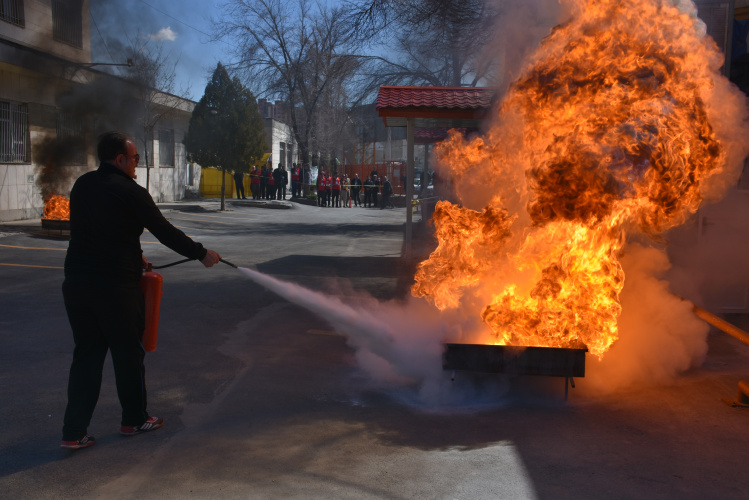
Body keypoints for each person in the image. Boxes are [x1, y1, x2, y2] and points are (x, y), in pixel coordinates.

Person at [60, 132, 222, 450]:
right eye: (134, 158)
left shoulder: (83, 184)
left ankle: (73, 431)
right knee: (127, 354)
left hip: (77, 285)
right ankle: (134, 419)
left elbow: (97, 230)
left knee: (87, 356)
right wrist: (200, 253)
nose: (137, 163)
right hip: (115, 288)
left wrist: (136, 256)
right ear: (120, 159)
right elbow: (163, 230)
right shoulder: (131, 191)